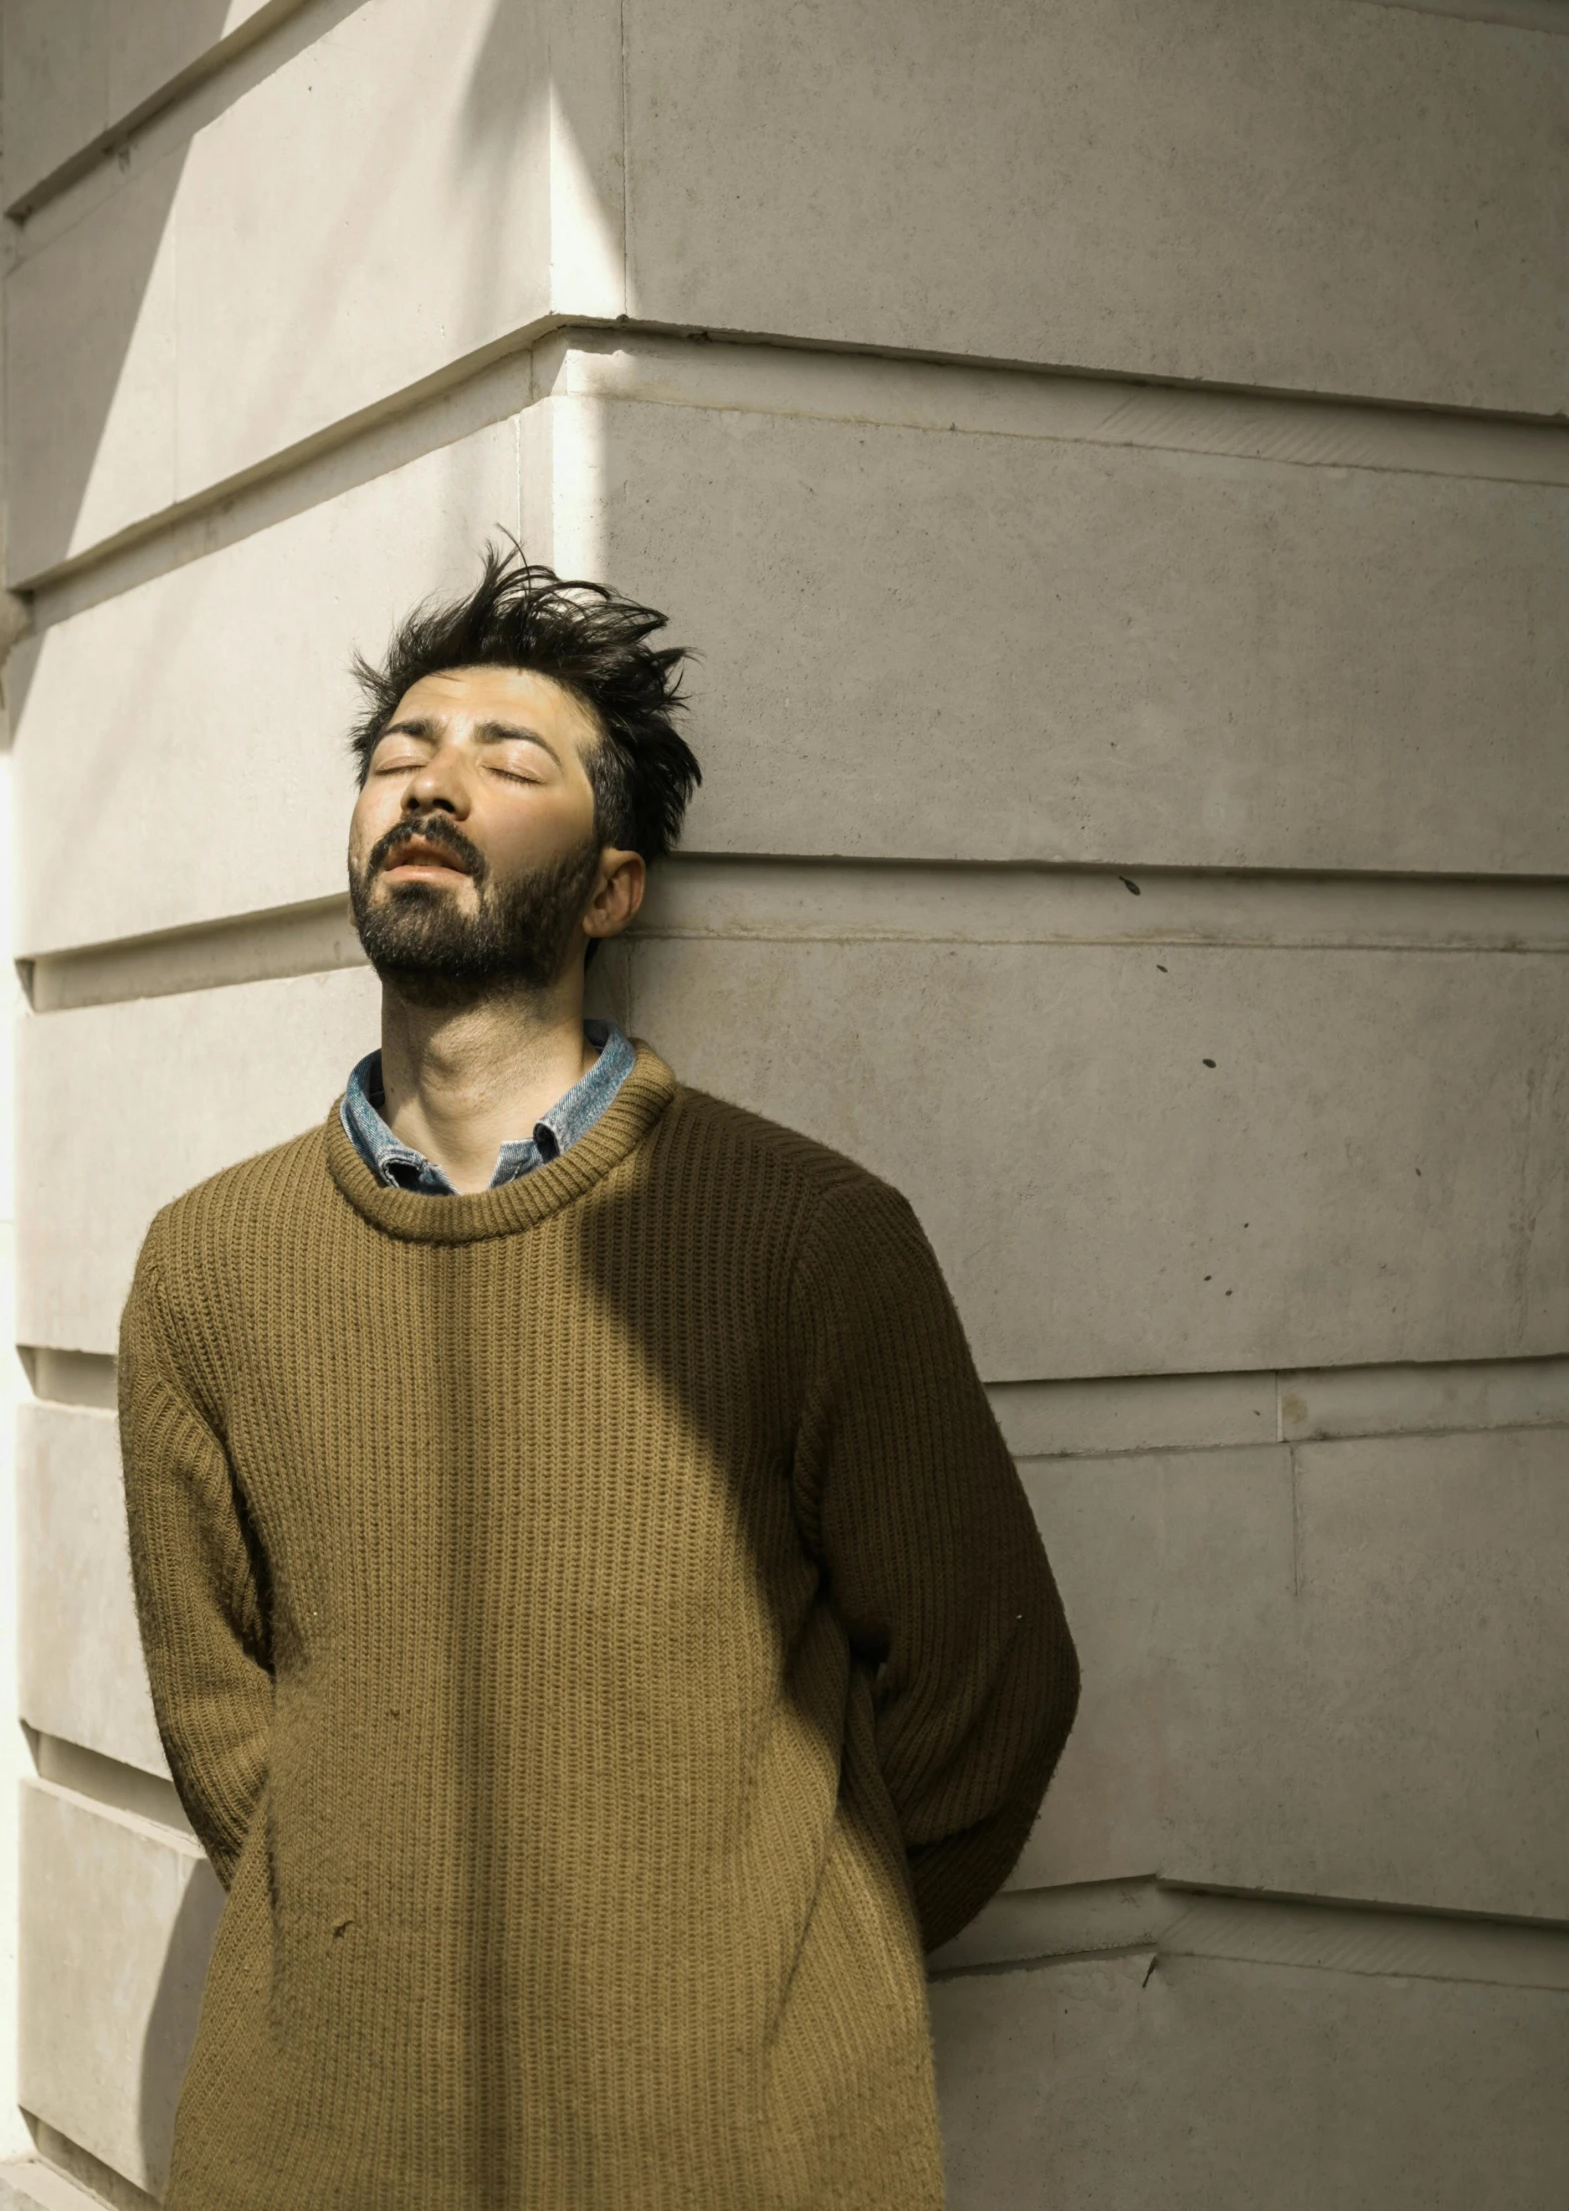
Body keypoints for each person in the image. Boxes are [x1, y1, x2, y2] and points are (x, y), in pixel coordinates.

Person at [118, 543, 1080, 2211]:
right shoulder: (207, 1265)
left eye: (511, 763)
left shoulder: (810, 1240)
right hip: (316, 2149)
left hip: (735, 2153)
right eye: (399, 756)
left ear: (615, 887)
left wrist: (760, 1961)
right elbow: (226, 1723)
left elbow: (984, 1691)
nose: (431, 787)